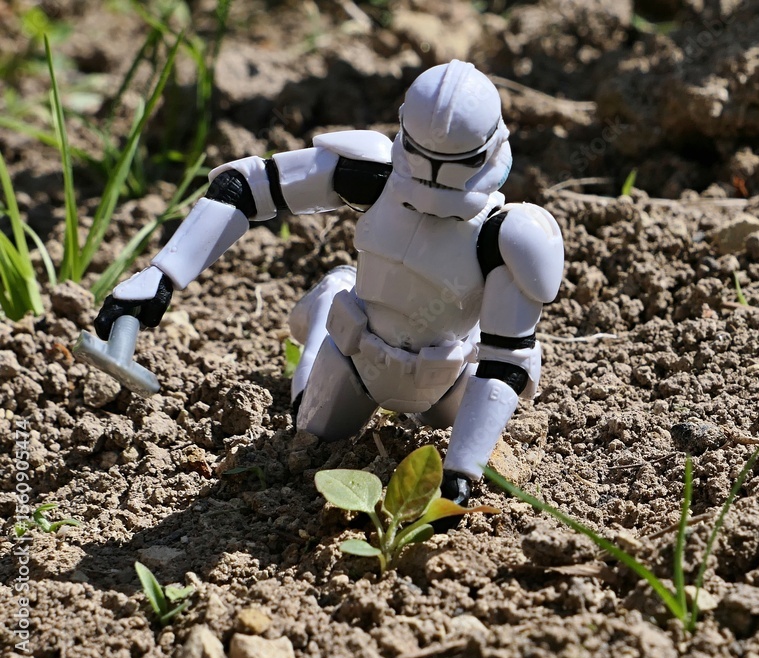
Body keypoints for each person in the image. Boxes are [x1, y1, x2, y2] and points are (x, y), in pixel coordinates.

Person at [94, 60, 564, 513]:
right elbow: (249, 186)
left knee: (465, 440)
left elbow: (507, 358)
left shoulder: (506, 237)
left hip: (449, 375)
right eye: (425, 162)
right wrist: (161, 275)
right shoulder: (372, 175)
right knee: (308, 442)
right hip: (355, 359)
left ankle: (333, 306)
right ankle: (327, 306)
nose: (434, 187)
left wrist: (462, 470)